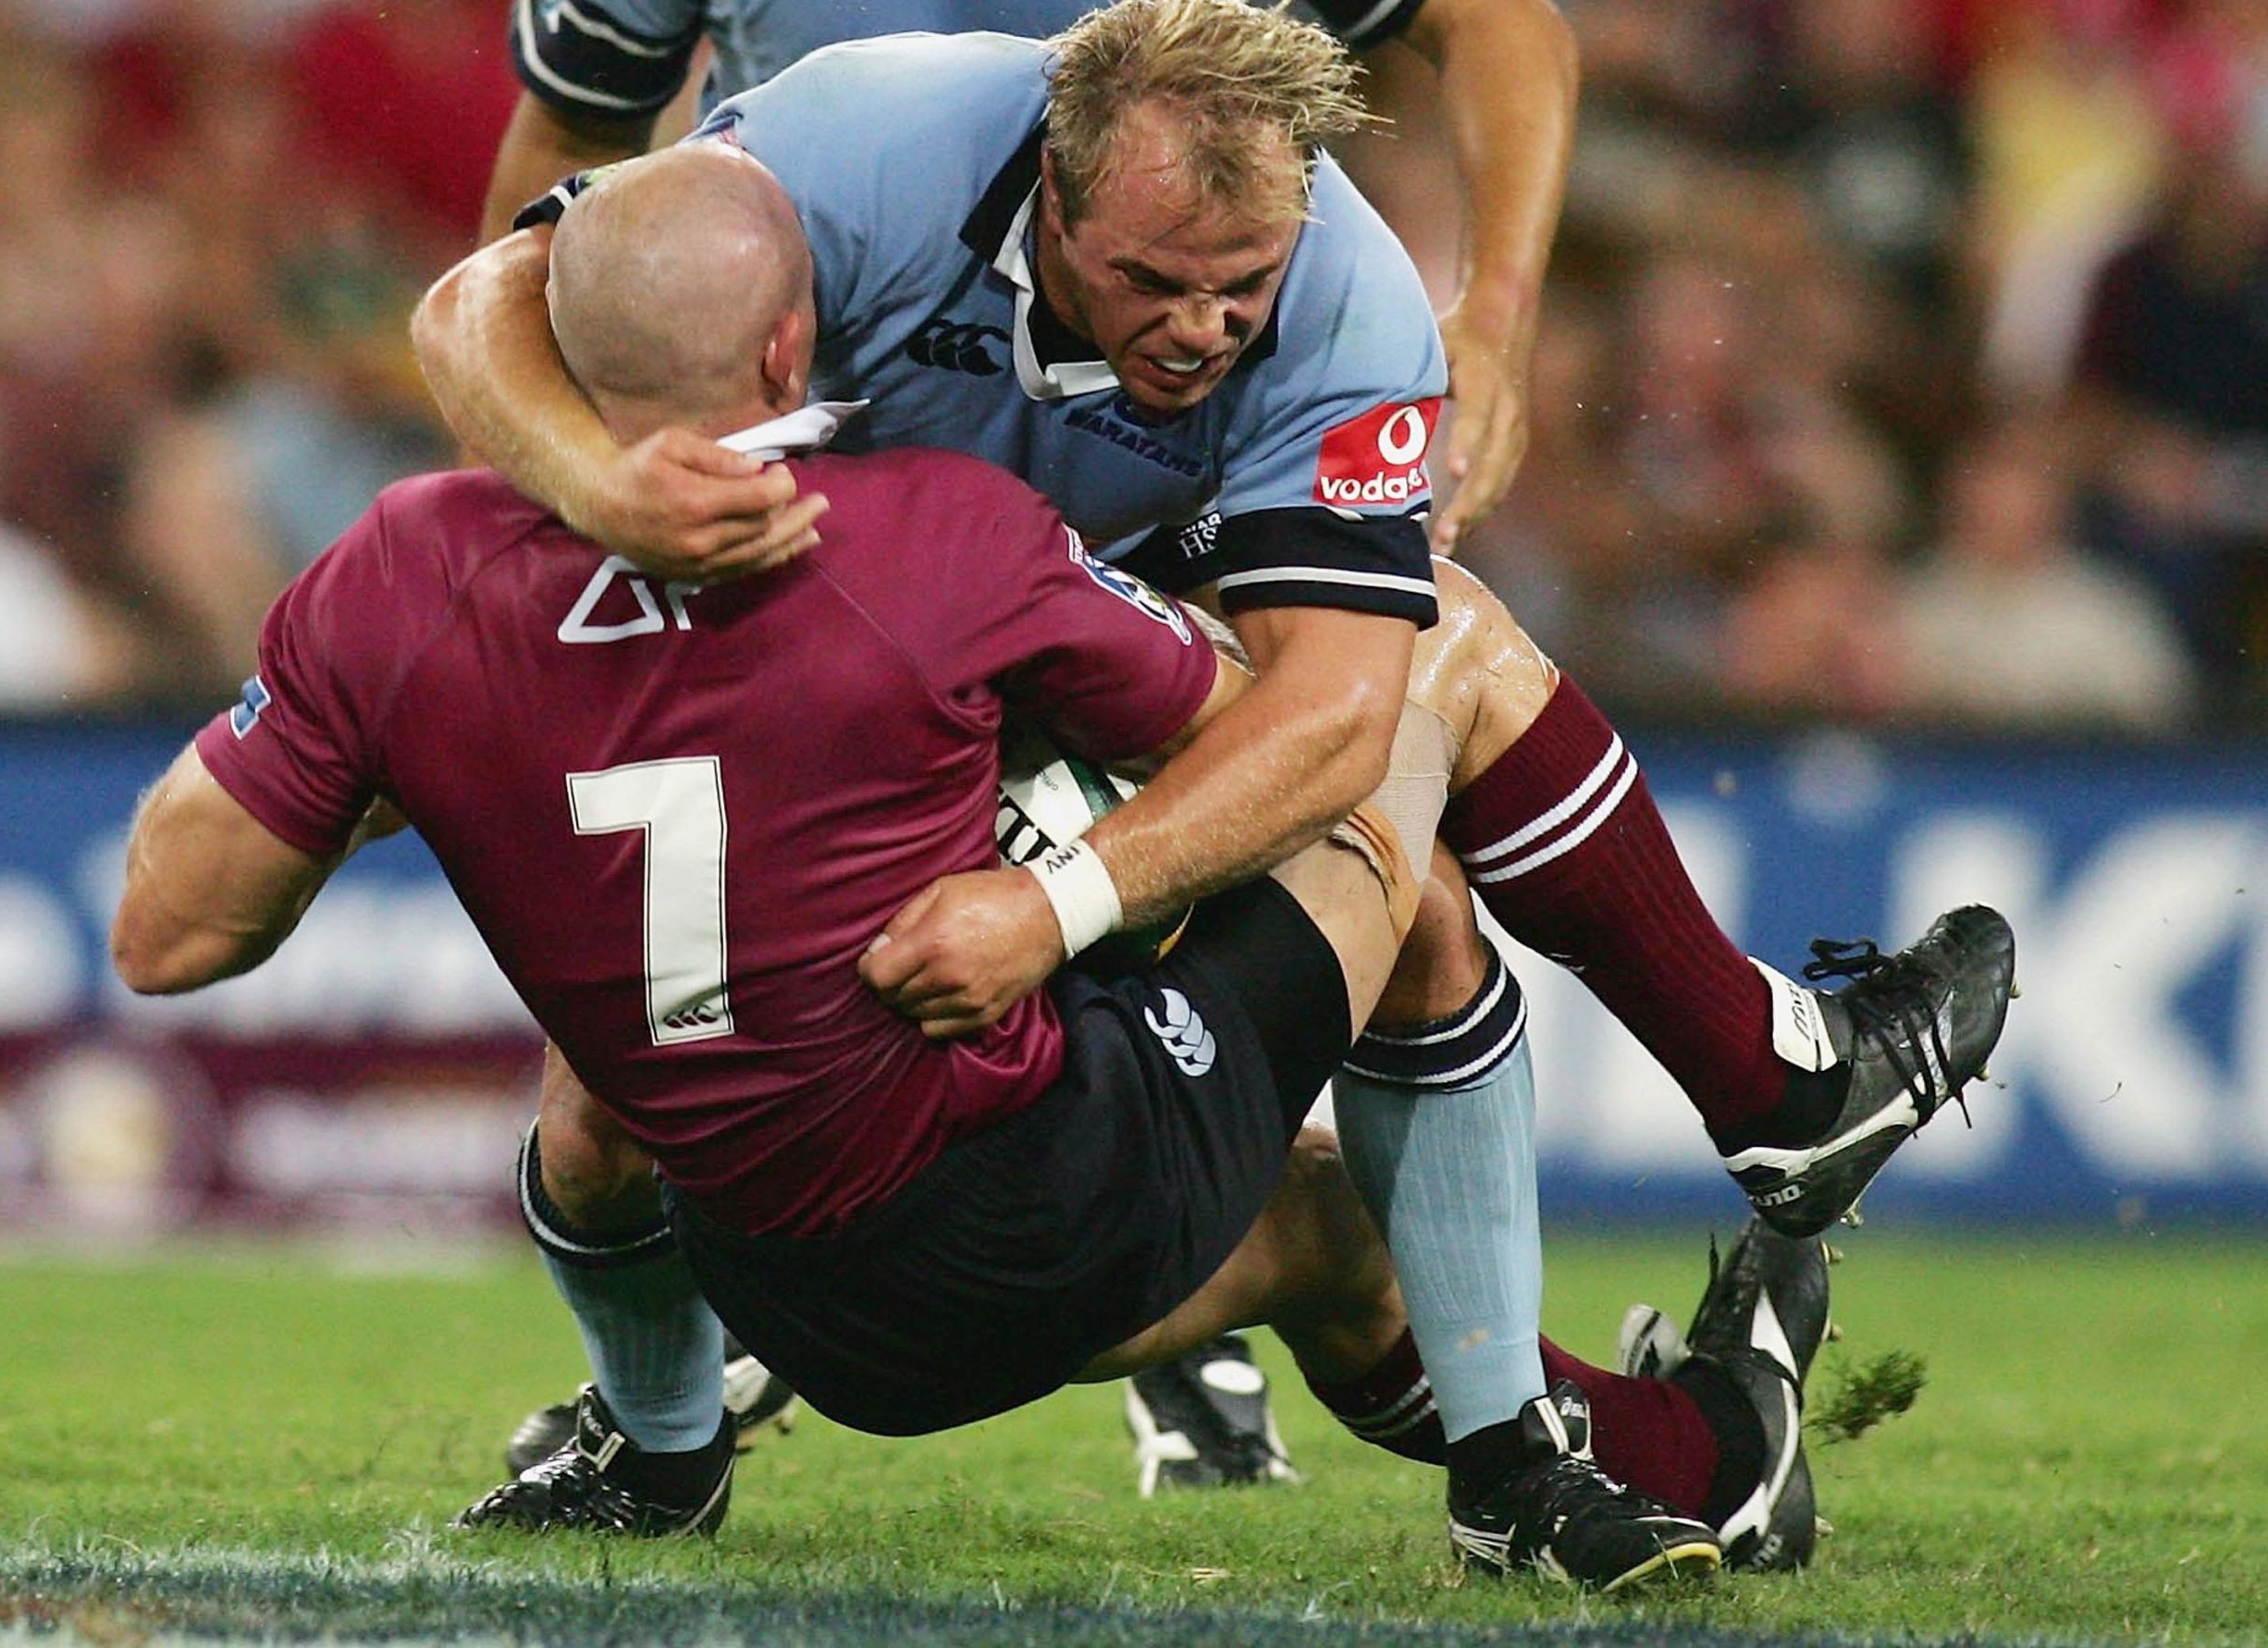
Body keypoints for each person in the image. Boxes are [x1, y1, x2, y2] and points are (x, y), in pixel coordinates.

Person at [111, 141, 1840, 1588]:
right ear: (796, 350)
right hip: (1039, 1218)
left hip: (785, 1295)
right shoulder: (936, 533)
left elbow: (168, 936)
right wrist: (1064, 871)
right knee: (1409, 746)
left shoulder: (395, 579)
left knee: (606, 1077)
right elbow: (1273, 745)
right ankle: (1547, 1461)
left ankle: (653, 1455)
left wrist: (372, 746)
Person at [413, 0, 2016, 1254]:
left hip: (1017, 637)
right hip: (771, 638)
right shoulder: (869, 137)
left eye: (1243, 281)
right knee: (606, 1108)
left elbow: (1331, 715)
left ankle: (1552, 1411)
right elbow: (485, 293)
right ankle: (1772, 1088)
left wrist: (1063, 905)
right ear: (1052, 187)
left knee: (1428, 764)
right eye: (1157, 280)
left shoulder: (1351, 303)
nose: (1206, 329)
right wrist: (602, 490)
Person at [480, 0, 1577, 547]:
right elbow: (572, 139)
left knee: (1418, 767)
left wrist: (1495, 315)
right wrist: (542, 463)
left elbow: (1495, 17)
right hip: (802, 429)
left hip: (1135, 413)